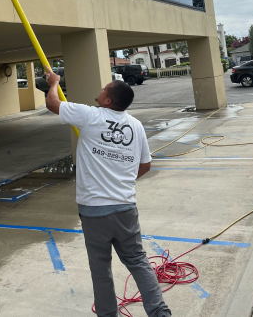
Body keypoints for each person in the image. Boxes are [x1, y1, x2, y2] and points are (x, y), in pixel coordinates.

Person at [44, 66, 171, 317]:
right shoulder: (135, 126)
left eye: (104, 90)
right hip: (125, 207)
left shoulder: (90, 115)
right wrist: (121, 182)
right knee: (138, 261)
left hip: (94, 211)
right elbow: (145, 165)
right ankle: (159, 312)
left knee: (101, 269)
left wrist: (53, 82)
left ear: (108, 100)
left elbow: (52, 103)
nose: (100, 91)